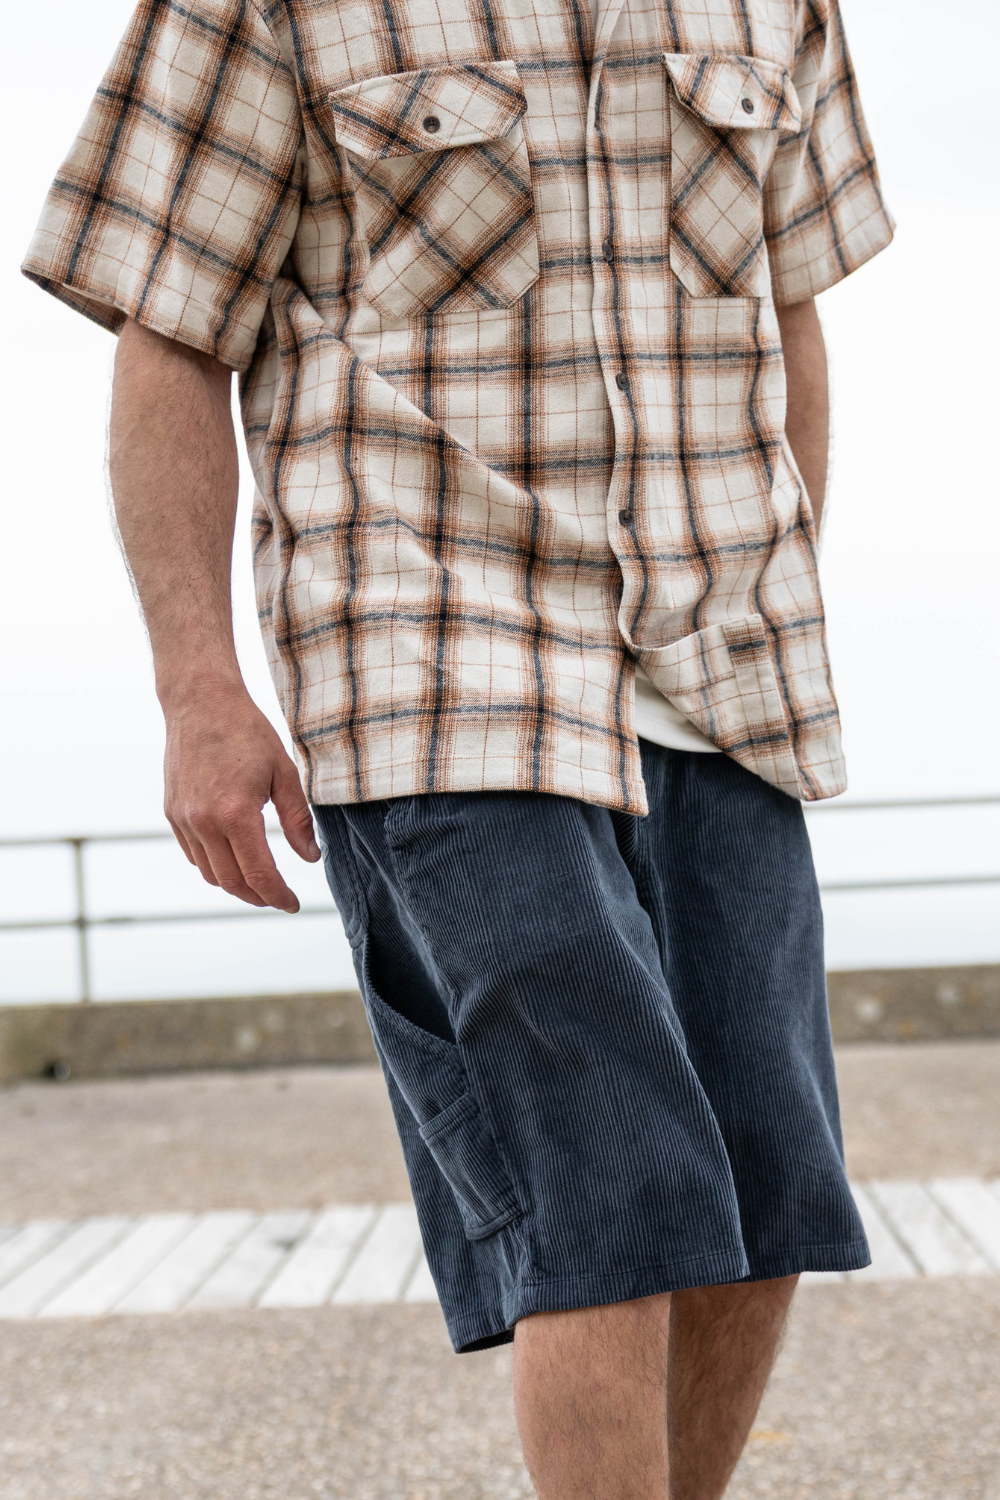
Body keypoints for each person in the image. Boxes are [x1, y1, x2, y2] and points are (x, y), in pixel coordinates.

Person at [24, 0, 893, 1491]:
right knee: (611, 1185)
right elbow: (168, 335)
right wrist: (197, 689)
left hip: (718, 664)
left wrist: (779, 588)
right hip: (433, 662)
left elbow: (789, 305)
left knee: (770, 1197)